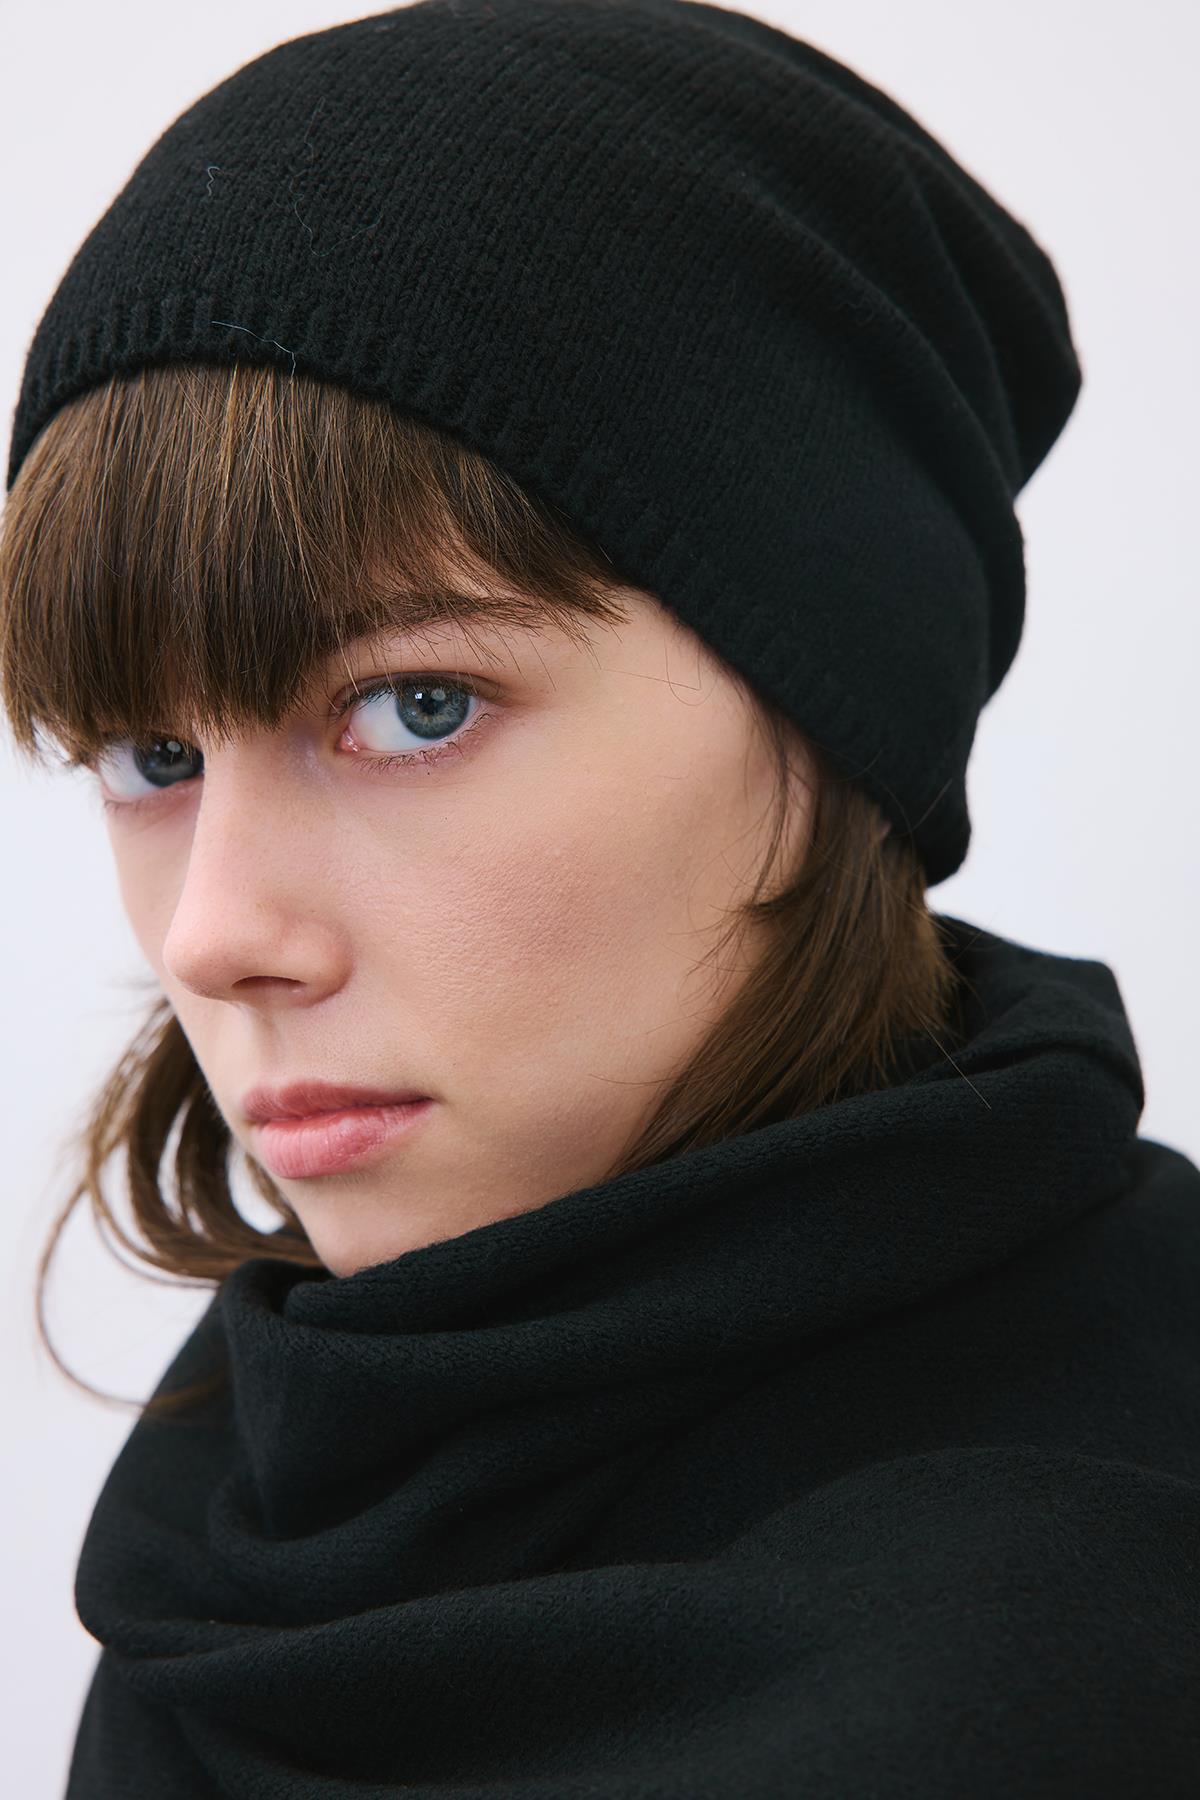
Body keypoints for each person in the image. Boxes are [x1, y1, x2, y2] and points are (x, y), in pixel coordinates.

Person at [2, 2, 1197, 1794]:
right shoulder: (250, 1530)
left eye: (416, 707)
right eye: (149, 756)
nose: (216, 936)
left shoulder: (1079, 1650)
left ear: (828, 709)